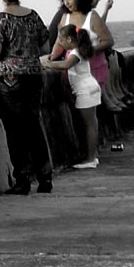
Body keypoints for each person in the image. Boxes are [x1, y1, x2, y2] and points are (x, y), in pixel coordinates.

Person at [0, 0, 52, 193]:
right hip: (33, 76)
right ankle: (45, 177)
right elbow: (46, 48)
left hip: (9, 80)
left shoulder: (0, 19)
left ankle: (22, 179)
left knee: (15, 131)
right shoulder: (33, 16)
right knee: (34, 127)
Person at [44, 24, 101, 169]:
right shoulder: (80, 49)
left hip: (85, 90)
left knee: (89, 126)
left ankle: (90, 158)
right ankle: (91, 155)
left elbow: (65, 65)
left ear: (69, 39)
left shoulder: (75, 52)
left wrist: (48, 64)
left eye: (61, 40)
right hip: (90, 87)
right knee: (91, 124)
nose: (60, 43)